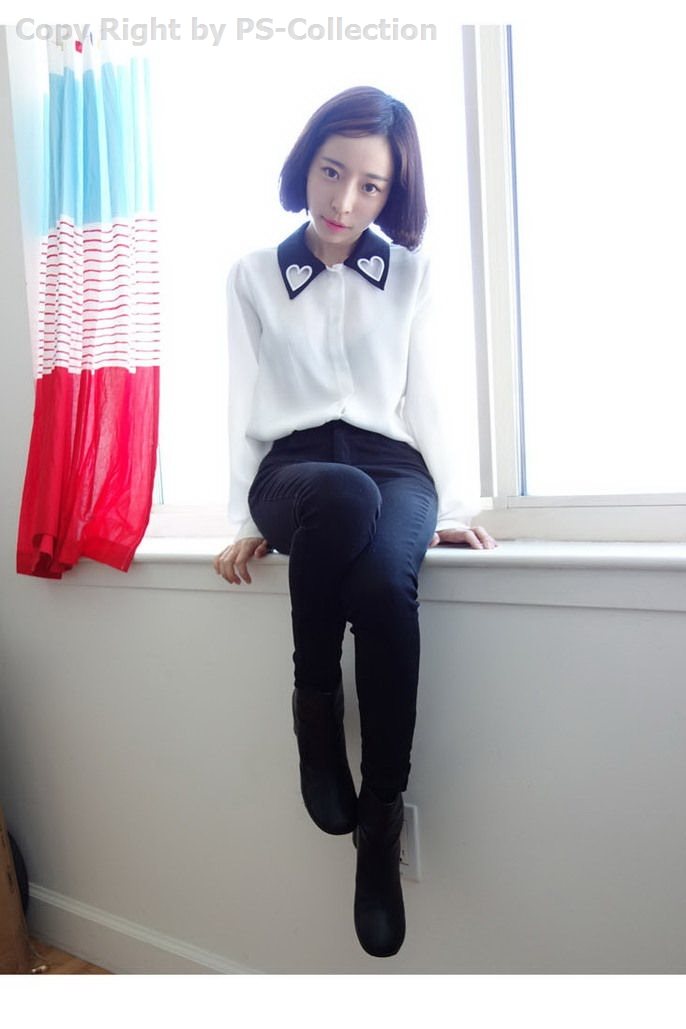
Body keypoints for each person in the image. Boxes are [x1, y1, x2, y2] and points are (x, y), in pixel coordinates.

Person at [214, 85, 497, 959]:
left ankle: (378, 827)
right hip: (294, 474)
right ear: (306, 164)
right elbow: (240, 398)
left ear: (391, 193)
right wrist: (240, 512)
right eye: (332, 172)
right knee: (341, 495)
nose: (344, 199)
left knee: (382, 581)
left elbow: (429, 397)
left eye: (370, 185)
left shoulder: (412, 276)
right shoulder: (253, 275)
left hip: (393, 467)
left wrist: (452, 507)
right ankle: (314, 712)